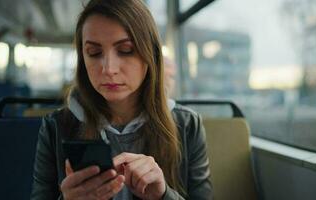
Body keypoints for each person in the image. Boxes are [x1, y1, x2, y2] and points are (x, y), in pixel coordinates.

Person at [30, 0, 212, 199]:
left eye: (126, 50)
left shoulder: (187, 126)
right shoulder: (55, 126)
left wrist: (163, 196)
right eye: (94, 53)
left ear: (149, 54)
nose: (109, 69)